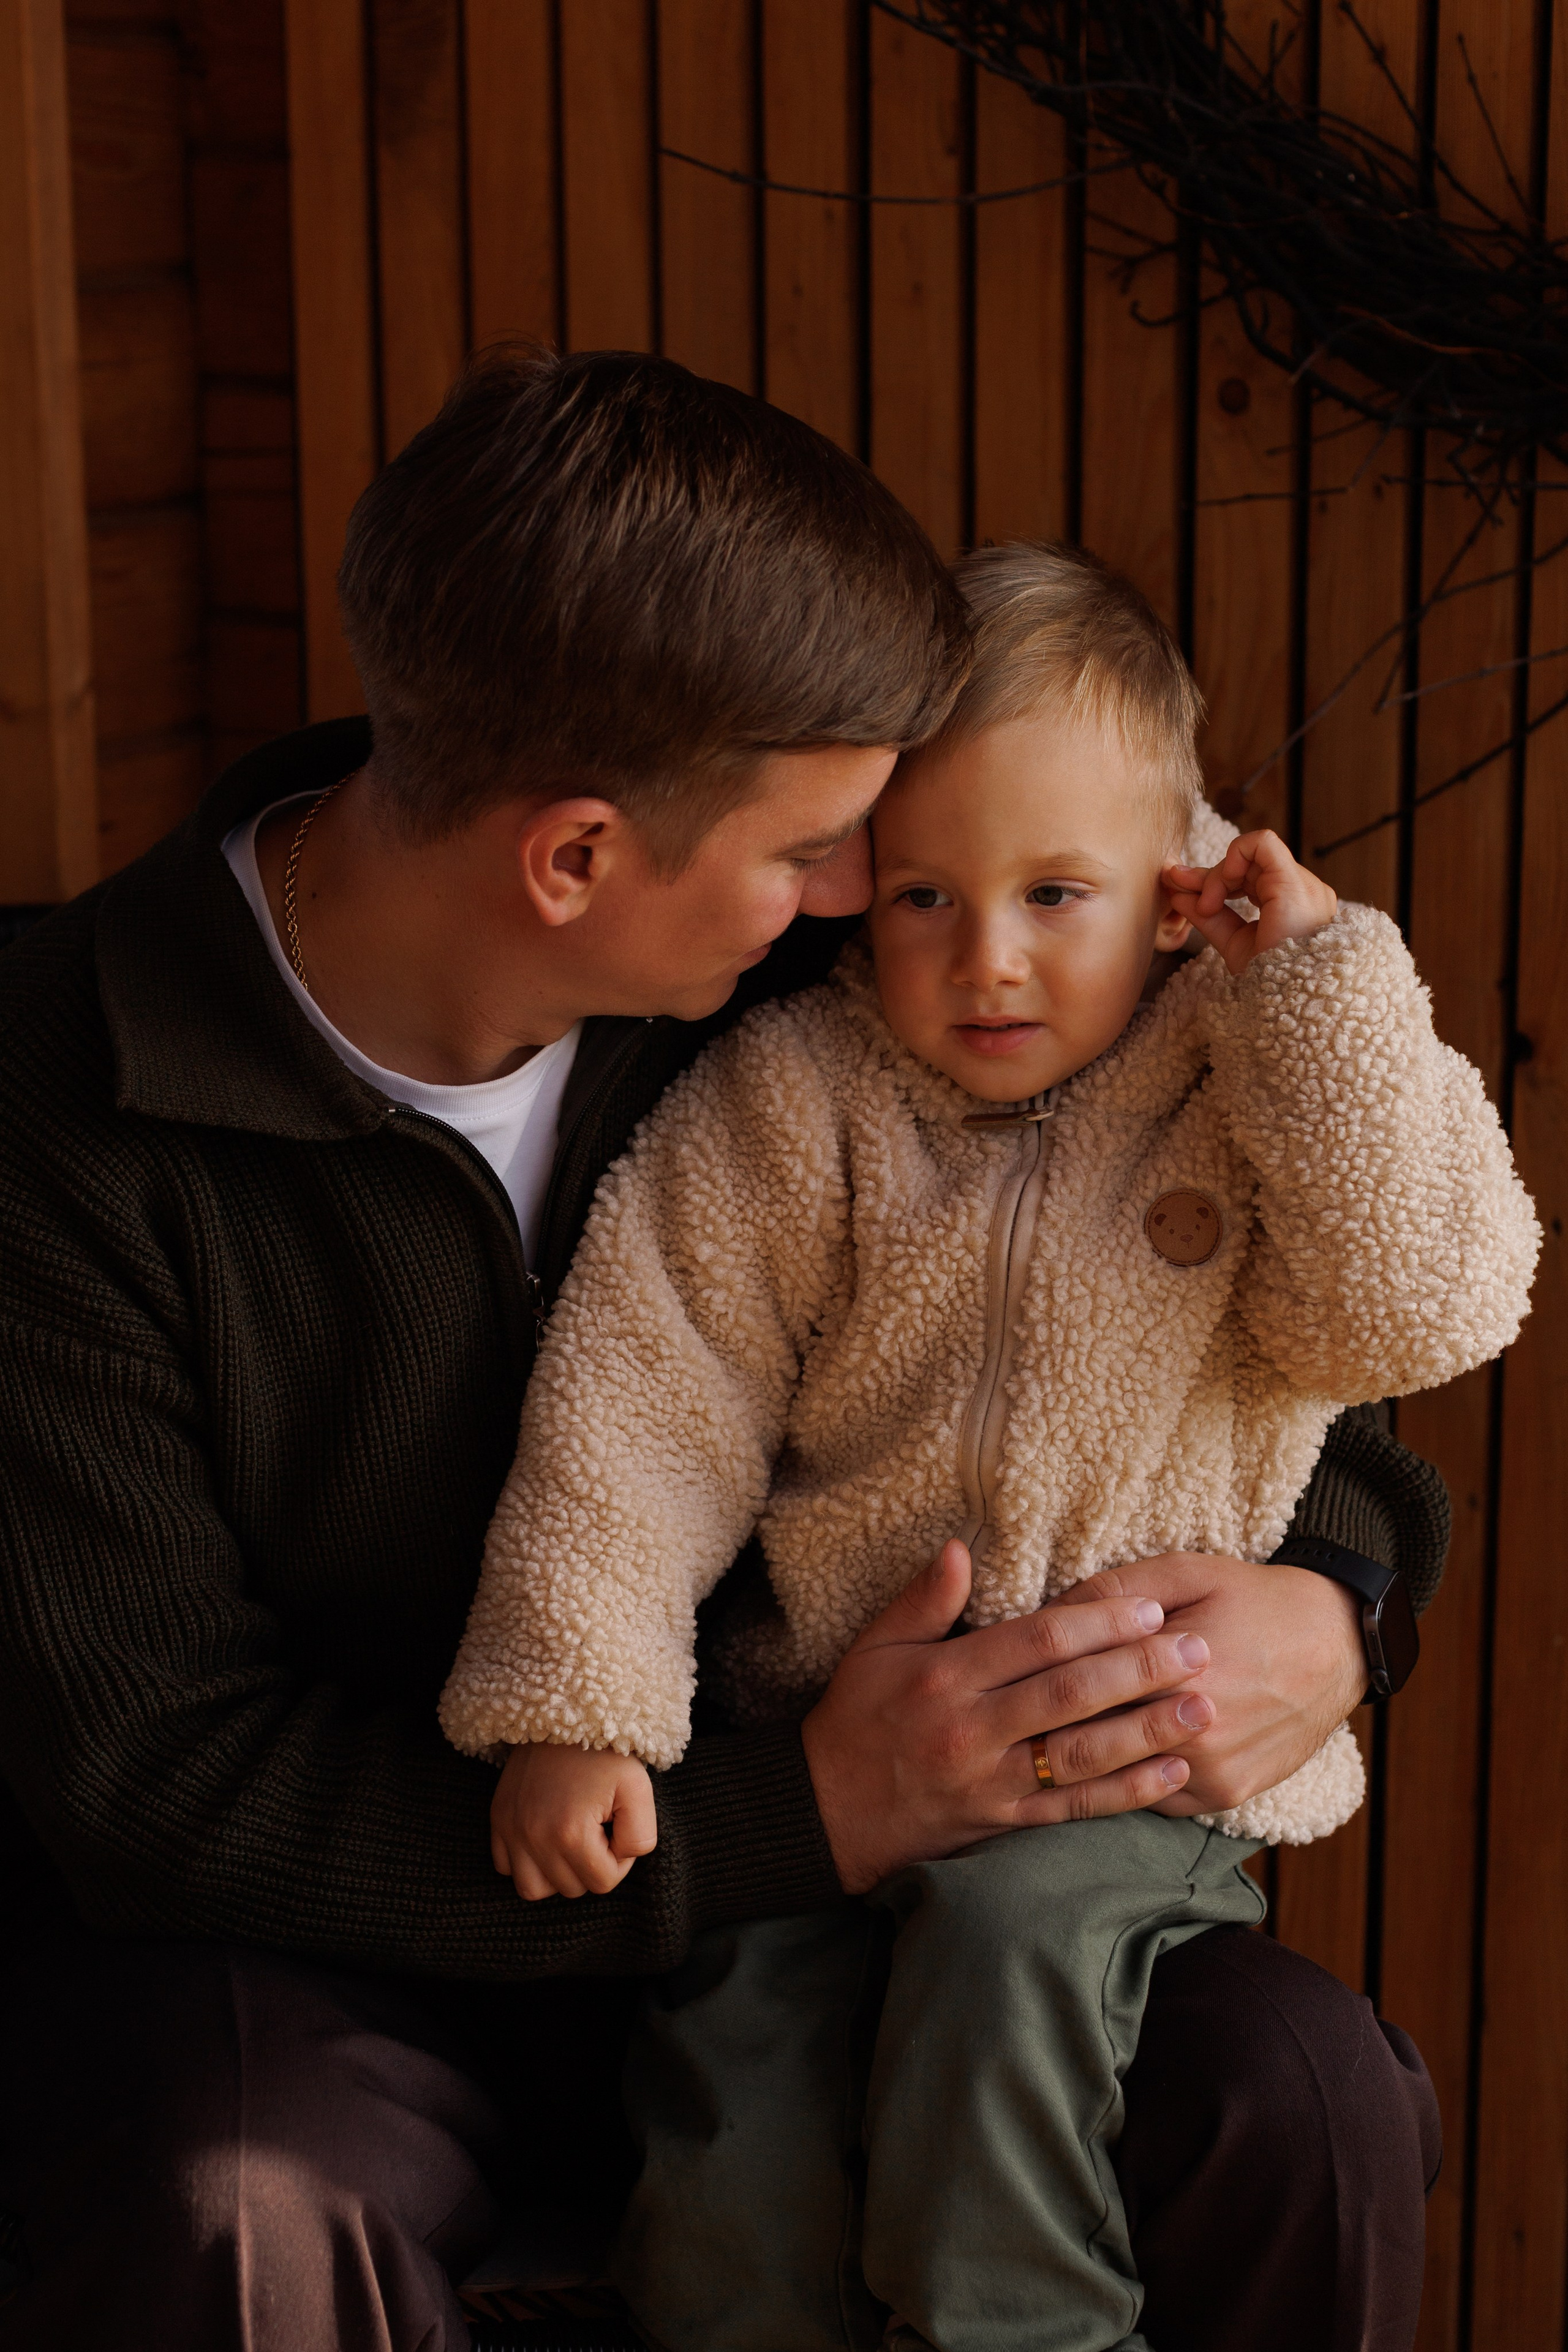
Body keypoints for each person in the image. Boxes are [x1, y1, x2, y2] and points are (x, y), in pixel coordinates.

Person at [0, 351, 1447, 2352]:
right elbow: (147, 1779)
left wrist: (1333, 1605)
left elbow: (1184, 1316)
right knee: (239, 2183)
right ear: (576, 860)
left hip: (904, 1905)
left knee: (1294, 2094)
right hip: (344, 1955)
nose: (875, 903)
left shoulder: (797, 974)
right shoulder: (62, 1108)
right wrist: (791, 1820)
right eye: (824, 850)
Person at [443, 540, 1536, 2352]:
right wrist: (577, 1697)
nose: (988, 959)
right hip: (821, 1759)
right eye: (928, 896)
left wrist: (1323, 988)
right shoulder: (795, 1108)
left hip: (1120, 1781)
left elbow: (1425, 1304)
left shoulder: (1241, 1086)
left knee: (1011, 1961)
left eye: (1057, 893)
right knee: (734, 2076)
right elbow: (646, 1400)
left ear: (1182, 891)